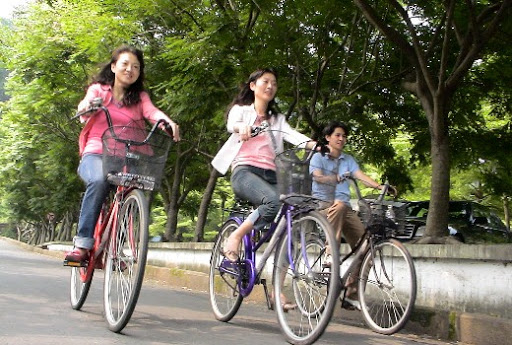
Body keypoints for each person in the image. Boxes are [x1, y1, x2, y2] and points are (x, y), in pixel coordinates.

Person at [64, 45, 180, 264]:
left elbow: (152, 112)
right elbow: (85, 106)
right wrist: (89, 106)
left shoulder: (140, 97)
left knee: (132, 193)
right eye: (125, 64)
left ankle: (116, 249)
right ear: (114, 66)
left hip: (127, 156)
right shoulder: (99, 90)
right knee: (99, 181)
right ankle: (82, 245)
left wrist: (167, 123)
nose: (130, 69)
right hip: (96, 153)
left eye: (136, 66)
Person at [211, 68, 316, 310]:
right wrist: (242, 128)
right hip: (245, 172)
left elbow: (292, 135)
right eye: (265, 81)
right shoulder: (242, 111)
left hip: (273, 175)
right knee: (273, 202)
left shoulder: (277, 120)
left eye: (274, 83)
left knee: (291, 222)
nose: (270, 86)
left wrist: (316, 145)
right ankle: (235, 236)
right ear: (253, 86)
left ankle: (277, 292)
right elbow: (232, 124)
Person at [310, 121, 386, 310]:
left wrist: (379, 186)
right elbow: (317, 177)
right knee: (340, 205)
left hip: (344, 208)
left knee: (367, 246)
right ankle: (330, 253)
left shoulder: (348, 160)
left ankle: (351, 293)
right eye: (337, 135)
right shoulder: (318, 157)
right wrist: (333, 178)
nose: (341, 139)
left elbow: (360, 175)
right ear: (328, 137)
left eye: (344, 136)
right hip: (323, 205)